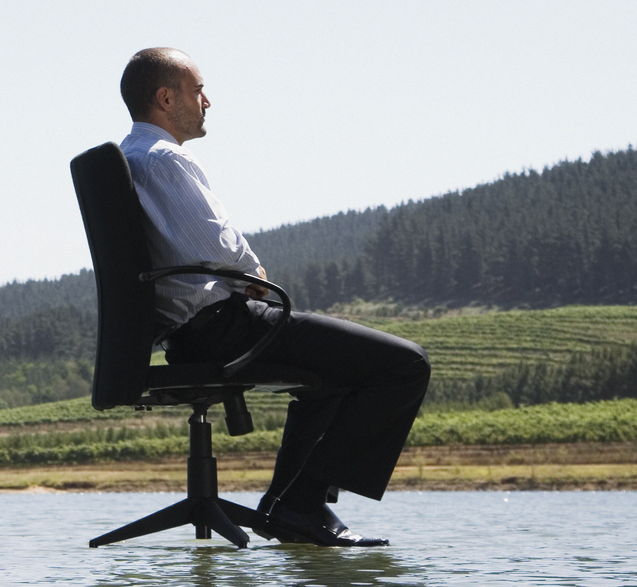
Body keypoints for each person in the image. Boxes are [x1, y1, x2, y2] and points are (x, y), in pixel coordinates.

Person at [119, 47, 430, 546]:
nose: (207, 101)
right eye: (198, 90)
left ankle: (292, 507)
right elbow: (215, 244)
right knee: (407, 364)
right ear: (164, 97)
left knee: (328, 379)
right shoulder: (163, 160)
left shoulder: (129, 157)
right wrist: (255, 275)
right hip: (222, 325)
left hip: (191, 333)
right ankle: (300, 505)